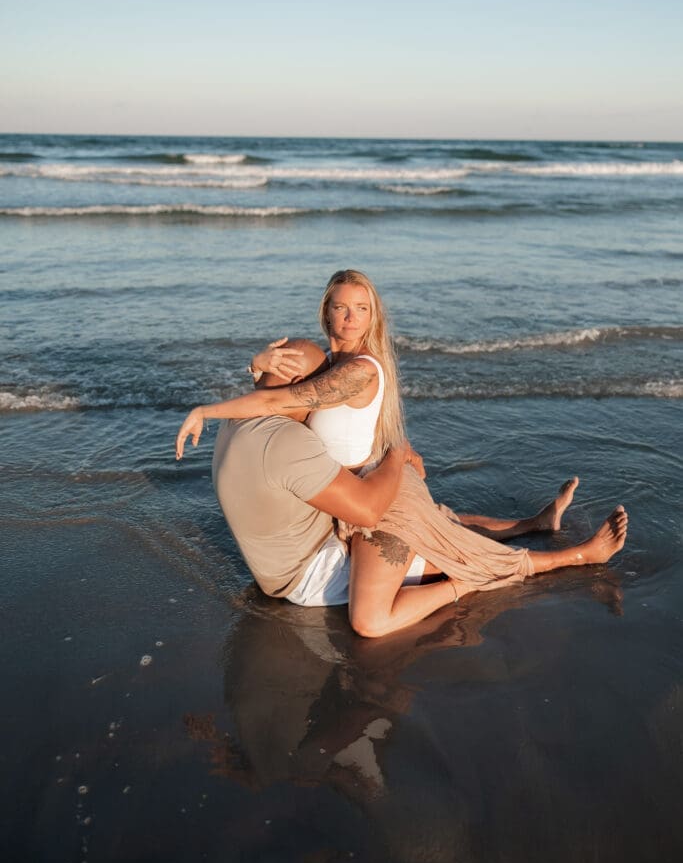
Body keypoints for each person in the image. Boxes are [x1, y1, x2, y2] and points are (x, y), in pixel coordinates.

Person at [176, 272, 628, 636]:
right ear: (325, 314)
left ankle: (577, 557)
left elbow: (279, 402)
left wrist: (207, 410)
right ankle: (536, 524)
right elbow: (279, 392)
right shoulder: (325, 364)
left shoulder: (356, 370)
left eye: (361, 309)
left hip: (375, 497)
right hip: (351, 491)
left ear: (372, 317)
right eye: (341, 308)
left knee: (455, 554)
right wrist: (257, 364)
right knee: (447, 525)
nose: (350, 318)